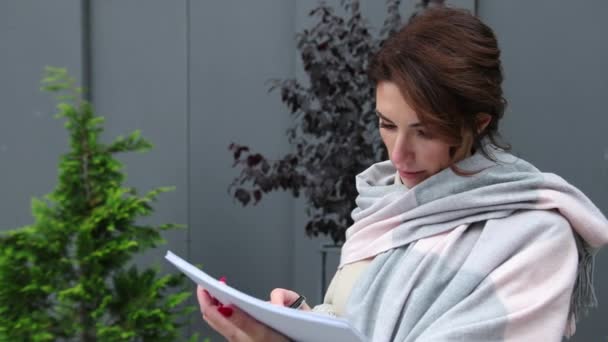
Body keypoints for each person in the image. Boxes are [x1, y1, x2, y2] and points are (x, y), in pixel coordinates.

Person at [197, 7, 608, 341]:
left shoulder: (534, 236)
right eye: (387, 124)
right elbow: (361, 327)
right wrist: (298, 323)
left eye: (424, 131)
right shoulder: (388, 206)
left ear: (479, 123)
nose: (398, 154)